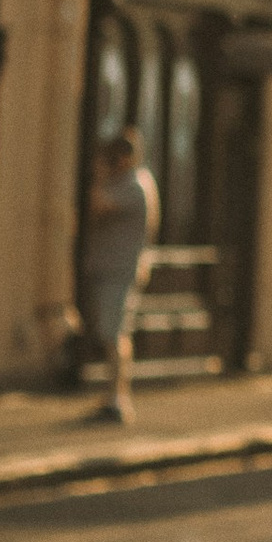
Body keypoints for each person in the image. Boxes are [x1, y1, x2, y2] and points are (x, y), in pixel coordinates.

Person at [80, 130, 159, 427]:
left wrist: (100, 174)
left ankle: (118, 400)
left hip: (119, 271)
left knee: (114, 334)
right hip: (114, 268)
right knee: (112, 333)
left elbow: (97, 203)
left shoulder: (133, 185)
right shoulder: (137, 181)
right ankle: (114, 395)